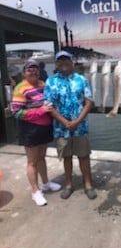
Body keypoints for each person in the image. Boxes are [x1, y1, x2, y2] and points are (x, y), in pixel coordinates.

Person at [44, 50, 97, 200]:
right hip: (61, 128)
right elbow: (49, 106)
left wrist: (77, 121)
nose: (63, 63)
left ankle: (88, 184)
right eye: (60, 61)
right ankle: (69, 184)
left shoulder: (82, 79)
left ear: (72, 62)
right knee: (66, 157)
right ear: (56, 64)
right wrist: (65, 122)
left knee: (84, 156)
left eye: (66, 60)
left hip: (80, 127)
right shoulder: (50, 81)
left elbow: (89, 101)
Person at [11, 59, 61, 206]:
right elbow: (17, 112)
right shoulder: (20, 88)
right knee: (32, 162)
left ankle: (46, 183)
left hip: (44, 127)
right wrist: (40, 111)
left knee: (42, 158)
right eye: (29, 69)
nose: (33, 71)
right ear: (24, 72)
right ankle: (35, 191)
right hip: (29, 129)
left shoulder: (42, 84)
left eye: (36, 69)